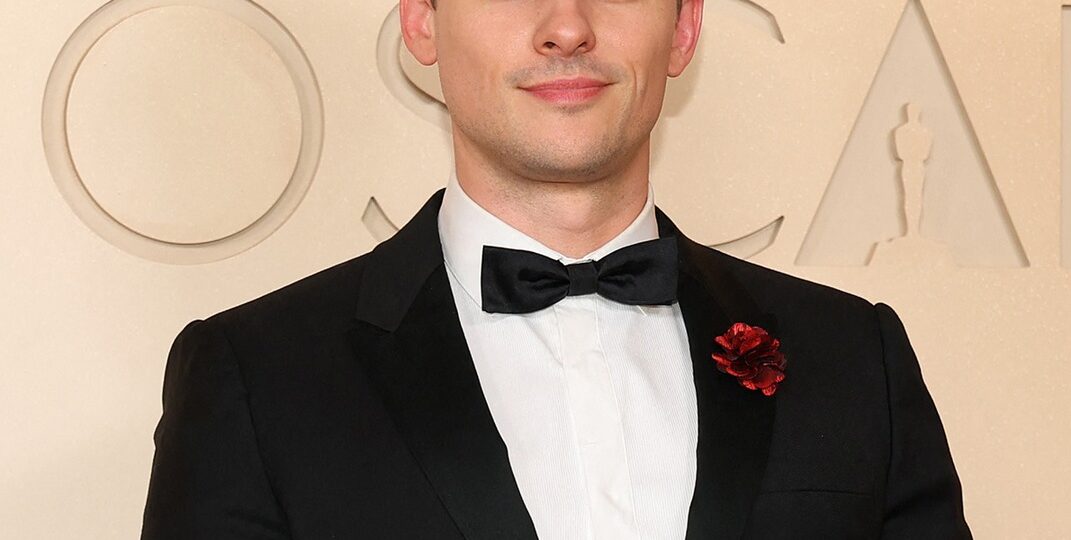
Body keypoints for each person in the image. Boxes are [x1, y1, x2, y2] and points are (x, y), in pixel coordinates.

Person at [141, 0, 971, 538]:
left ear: (684, 26)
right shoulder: (256, 379)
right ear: (421, 19)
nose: (567, 27)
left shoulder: (853, 357)